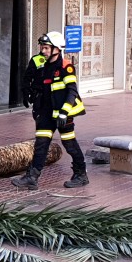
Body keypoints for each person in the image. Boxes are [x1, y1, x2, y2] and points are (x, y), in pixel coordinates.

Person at [11, 31, 88, 190]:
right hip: (46, 113)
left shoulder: (66, 67)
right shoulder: (43, 67)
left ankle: (81, 174)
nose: (43, 51)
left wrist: (64, 112)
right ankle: (32, 177)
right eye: (42, 47)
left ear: (57, 49)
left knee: (69, 144)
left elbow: (72, 91)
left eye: (46, 48)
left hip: (62, 115)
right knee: (41, 144)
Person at [21, 39, 48, 108]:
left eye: (45, 46)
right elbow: (27, 78)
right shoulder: (36, 59)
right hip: (39, 95)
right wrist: (26, 94)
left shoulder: (56, 60)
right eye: (41, 45)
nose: (42, 47)